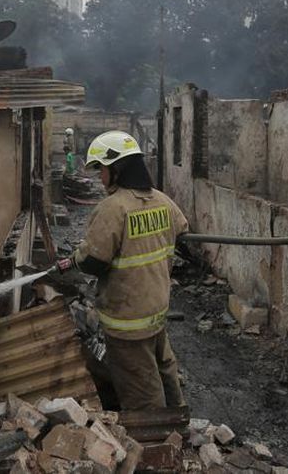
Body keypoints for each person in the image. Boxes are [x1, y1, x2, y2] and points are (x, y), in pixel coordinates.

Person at [68, 130, 188, 410]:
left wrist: (76, 256)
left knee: (141, 389)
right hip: (156, 310)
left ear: (117, 169)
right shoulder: (161, 200)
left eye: (102, 170)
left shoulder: (113, 207)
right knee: (164, 369)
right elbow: (182, 230)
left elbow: (93, 263)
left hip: (127, 321)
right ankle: (178, 425)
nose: (100, 178)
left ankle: (154, 442)